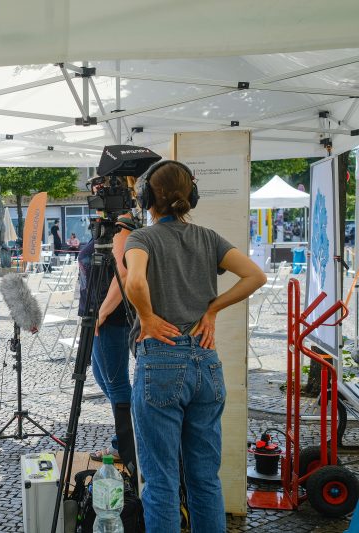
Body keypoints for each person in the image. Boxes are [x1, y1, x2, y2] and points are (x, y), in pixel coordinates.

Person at [124, 160, 265, 533]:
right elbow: (255, 275)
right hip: (206, 364)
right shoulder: (210, 238)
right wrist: (213, 310)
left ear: (146, 198)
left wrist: (149, 318)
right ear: (192, 196)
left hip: (162, 363)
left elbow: (134, 282)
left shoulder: (142, 239)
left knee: (161, 482)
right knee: (205, 479)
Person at [77, 178, 137, 471]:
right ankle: (124, 441)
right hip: (97, 317)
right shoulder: (106, 226)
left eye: (100, 189)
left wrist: (100, 314)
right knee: (105, 379)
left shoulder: (123, 226)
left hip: (110, 319)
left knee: (117, 384)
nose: (95, 194)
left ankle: (127, 447)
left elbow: (122, 276)